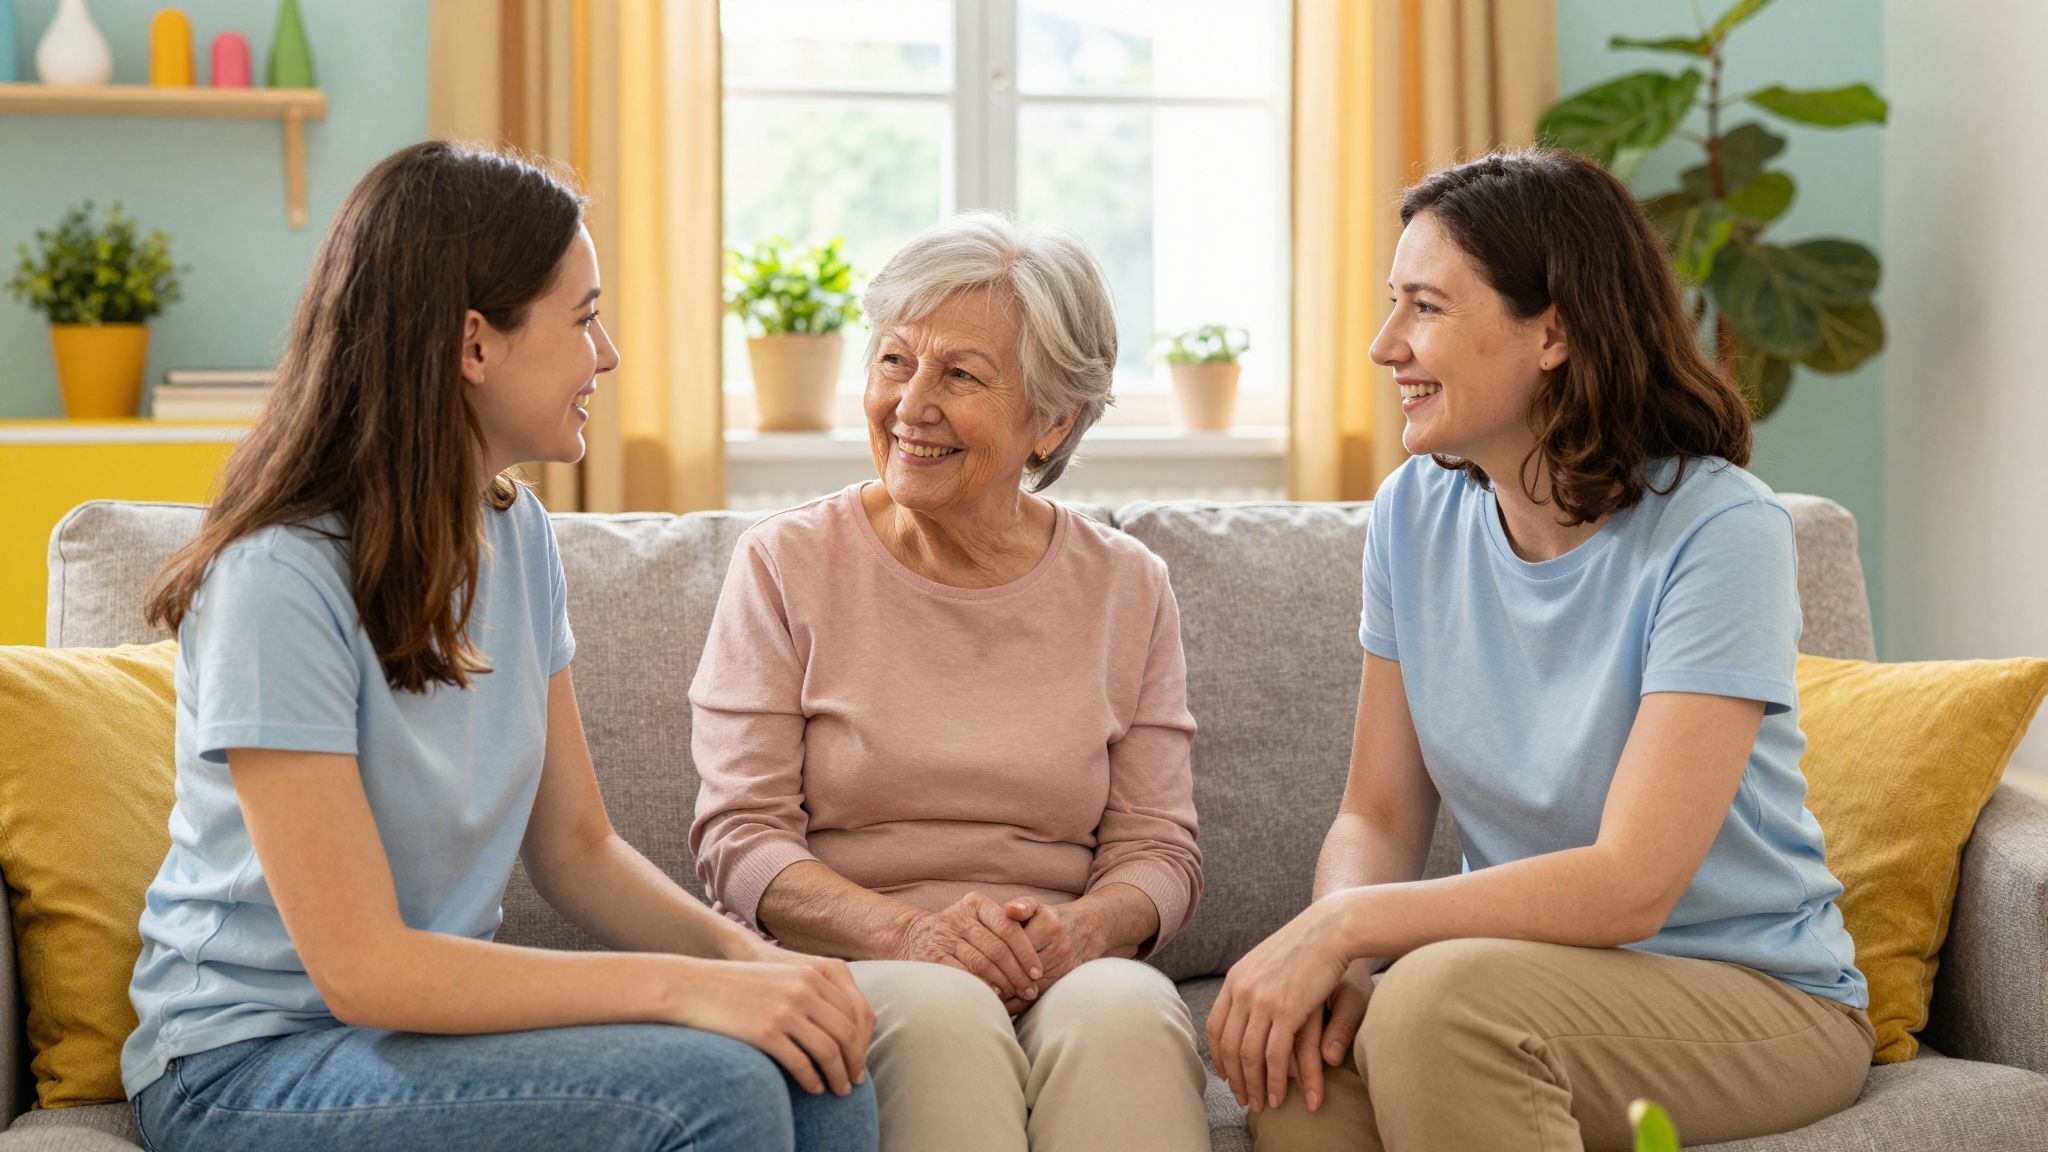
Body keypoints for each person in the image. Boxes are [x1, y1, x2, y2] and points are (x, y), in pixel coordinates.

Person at [125, 140, 878, 1152]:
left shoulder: (515, 534)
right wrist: (689, 991)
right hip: (243, 1063)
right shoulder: (278, 580)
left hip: (412, 1039)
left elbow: (576, 850)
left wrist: (755, 966)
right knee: (711, 1090)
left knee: (821, 1069)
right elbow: (363, 970)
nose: (607, 355)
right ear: (473, 345)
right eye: (584, 318)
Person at [1213, 149, 1873, 1152]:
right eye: (1392, 304)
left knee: (1438, 1001)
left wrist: (1346, 928)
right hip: (1521, 973)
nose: (1384, 345)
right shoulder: (1412, 514)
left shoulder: (1720, 530)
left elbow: (1631, 882)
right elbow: (1378, 811)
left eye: (1426, 307)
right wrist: (1336, 968)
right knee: (1300, 1068)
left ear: (1554, 332)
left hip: (1754, 994)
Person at [691, 212, 1208, 1152]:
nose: (911, 405)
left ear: (1053, 418)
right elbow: (740, 838)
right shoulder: (785, 563)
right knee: (943, 1015)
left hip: (1057, 959)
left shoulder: (1127, 586)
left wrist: (1082, 932)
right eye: (895, 361)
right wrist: (910, 936)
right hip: (856, 958)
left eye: (960, 375)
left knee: (1129, 1015)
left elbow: (1158, 850)